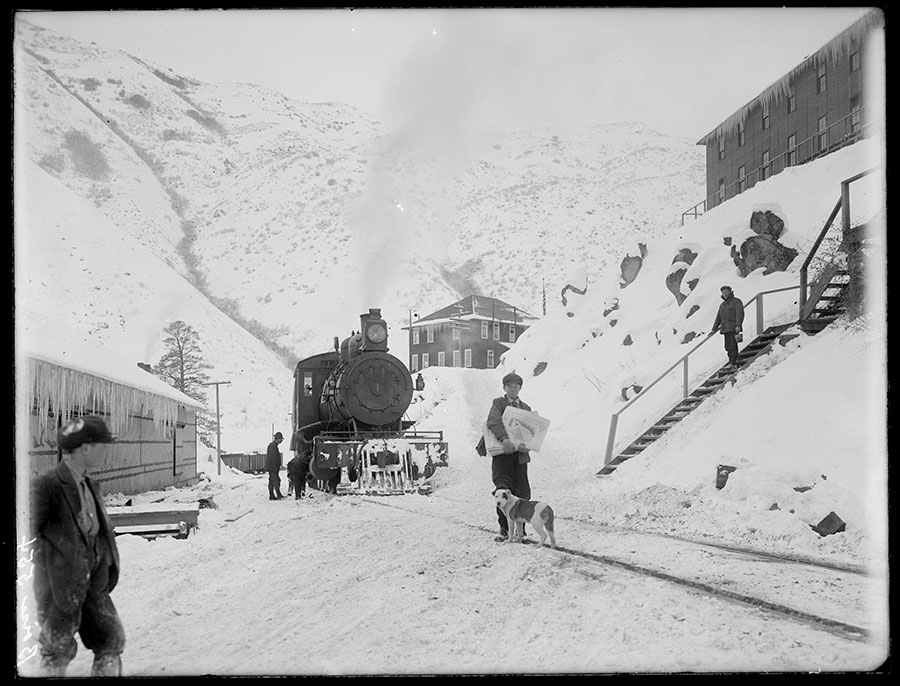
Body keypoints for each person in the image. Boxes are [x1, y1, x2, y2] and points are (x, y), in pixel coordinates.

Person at [30, 415, 125, 677]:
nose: (106, 452)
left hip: (94, 583)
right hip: (60, 587)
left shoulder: (90, 484)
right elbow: (25, 535)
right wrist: (53, 562)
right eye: (102, 446)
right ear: (85, 448)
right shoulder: (47, 486)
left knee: (111, 641)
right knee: (56, 649)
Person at [485, 372, 533, 543]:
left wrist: (528, 442)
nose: (513, 389)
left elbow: (531, 430)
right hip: (502, 455)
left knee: (522, 493)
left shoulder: (525, 408)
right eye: (509, 386)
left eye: (516, 386)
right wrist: (504, 439)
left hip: (519, 457)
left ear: (520, 388)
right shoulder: (498, 403)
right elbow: (493, 421)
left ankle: (522, 531)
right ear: (504, 388)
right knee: (502, 490)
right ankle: (504, 528)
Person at [711, 285, 745, 367]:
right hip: (725, 329)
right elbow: (718, 317)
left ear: (730, 291)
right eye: (723, 292)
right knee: (727, 347)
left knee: (733, 345)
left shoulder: (736, 301)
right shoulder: (722, 305)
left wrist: (738, 325)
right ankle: (731, 361)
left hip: (733, 327)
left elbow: (739, 314)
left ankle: (733, 362)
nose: (724, 293)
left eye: (726, 291)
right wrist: (713, 329)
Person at [289, 430, 313, 499]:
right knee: (298, 483)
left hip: (298, 471)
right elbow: (307, 467)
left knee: (301, 482)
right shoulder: (305, 459)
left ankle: (300, 494)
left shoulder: (302, 455)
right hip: (297, 472)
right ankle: (297, 496)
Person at [266, 431, 285, 500]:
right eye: (281, 439)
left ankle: (272, 495)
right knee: (276, 480)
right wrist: (275, 467)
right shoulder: (273, 446)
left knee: (272, 480)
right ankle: (277, 494)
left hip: (272, 467)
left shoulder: (273, 445)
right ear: (278, 439)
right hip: (273, 467)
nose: (281, 441)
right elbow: (273, 457)